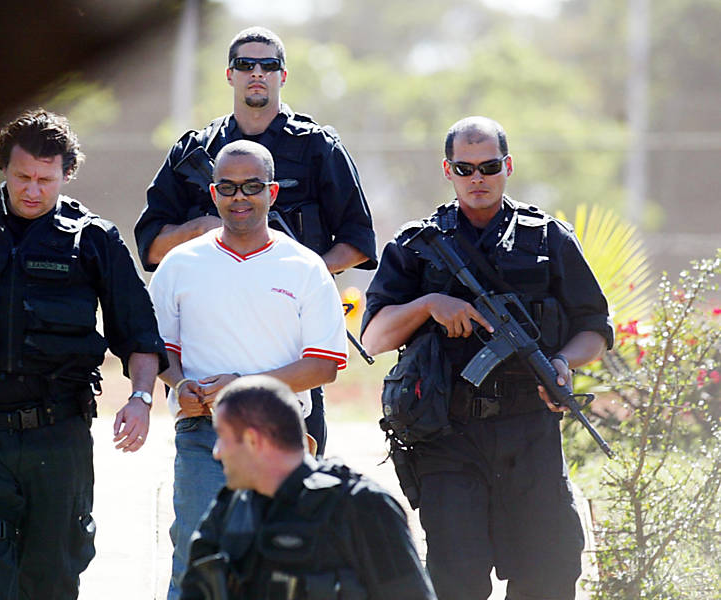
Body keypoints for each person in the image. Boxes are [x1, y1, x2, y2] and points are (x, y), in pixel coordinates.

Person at [0, 109, 167, 599]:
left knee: (51, 578)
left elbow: (139, 335)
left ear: (65, 175)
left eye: (46, 179)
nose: (33, 190)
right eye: (22, 177)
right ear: (4, 169)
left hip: (59, 436)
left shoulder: (93, 240)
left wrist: (141, 399)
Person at [361, 116, 614, 600]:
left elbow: (596, 328)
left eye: (489, 166)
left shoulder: (548, 239)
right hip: (447, 437)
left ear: (507, 166)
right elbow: (372, 338)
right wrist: (429, 305)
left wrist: (562, 363)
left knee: (549, 573)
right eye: (465, 167)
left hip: (529, 432)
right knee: (458, 581)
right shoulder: (418, 244)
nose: (478, 178)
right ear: (448, 170)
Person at [136, 25, 376, 456]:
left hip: (288, 345)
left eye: (269, 65)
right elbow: (151, 248)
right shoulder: (195, 147)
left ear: (283, 75)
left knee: (297, 497)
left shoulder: (318, 147)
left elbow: (359, 241)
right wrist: (201, 229)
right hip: (206, 358)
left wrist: (295, 271)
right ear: (230, 74)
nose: (257, 73)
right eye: (246, 65)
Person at [148, 140, 349, 600]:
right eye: (229, 187)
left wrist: (241, 388)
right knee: (197, 567)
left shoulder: (305, 266)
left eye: (252, 186)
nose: (240, 197)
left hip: (282, 439)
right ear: (213, 193)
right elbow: (160, 351)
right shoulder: (180, 263)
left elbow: (324, 366)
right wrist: (178, 384)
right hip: (204, 437)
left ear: (272, 192)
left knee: (282, 573)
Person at [180, 375, 437, 600]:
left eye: (223, 438)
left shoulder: (363, 507)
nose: (217, 452)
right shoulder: (230, 508)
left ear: (253, 440)